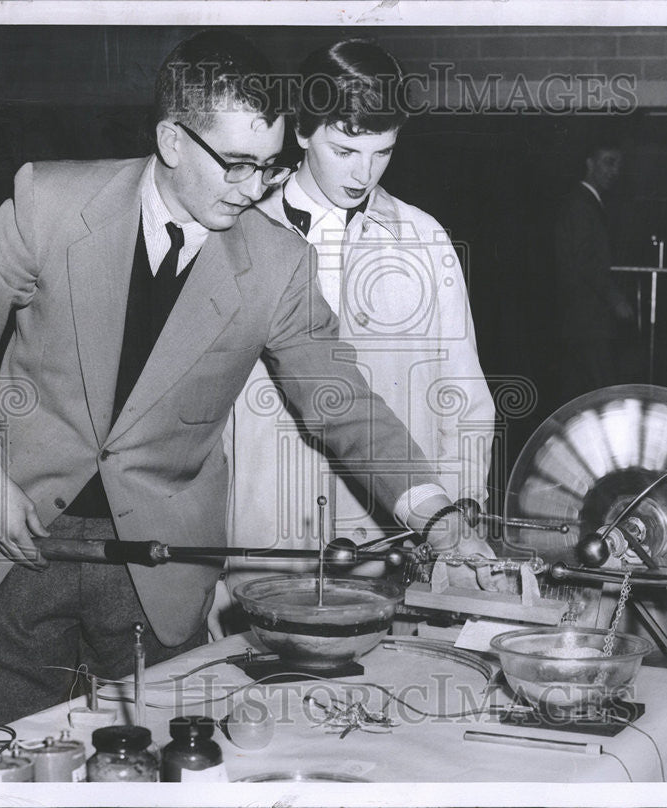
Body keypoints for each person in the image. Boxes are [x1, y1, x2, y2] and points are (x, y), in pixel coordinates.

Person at [0, 30, 497, 741]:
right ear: (172, 140)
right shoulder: (50, 202)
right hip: (10, 545)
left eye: (269, 165)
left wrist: (435, 512)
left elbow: (337, 397)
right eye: (236, 165)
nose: (255, 189)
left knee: (161, 769)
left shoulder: (278, 262)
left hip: (162, 574)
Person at [212, 39, 496, 614]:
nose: (363, 173)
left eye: (382, 152)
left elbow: (463, 400)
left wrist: (457, 516)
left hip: (389, 549)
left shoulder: (425, 240)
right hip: (264, 550)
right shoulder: (231, 234)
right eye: (344, 150)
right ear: (301, 132)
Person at [550, 140, 635, 406]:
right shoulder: (582, 205)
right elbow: (587, 262)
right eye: (609, 162)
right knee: (598, 397)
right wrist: (617, 300)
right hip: (588, 320)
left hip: (582, 319)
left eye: (618, 164)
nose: (615, 170)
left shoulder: (588, 203)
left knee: (581, 397)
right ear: (589, 164)